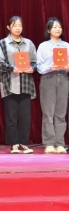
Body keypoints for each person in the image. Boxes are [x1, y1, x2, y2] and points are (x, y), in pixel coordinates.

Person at [0, 16, 36, 154]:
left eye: (20, 25)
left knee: (25, 117)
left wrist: (32, 68)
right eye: (15, 25)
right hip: (9, 84)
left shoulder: (28, 43)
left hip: (25, 84)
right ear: (8, 27)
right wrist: (11, 68)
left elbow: (35, 61)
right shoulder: (3, 43)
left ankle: (24, 143)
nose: (18, 28)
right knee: (11, 117)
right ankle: (14, 144)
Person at [36, 17, 69, 154]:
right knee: (48, 113)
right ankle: (49, 143)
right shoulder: (43, 46)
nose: (57, 29)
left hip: (63, 78)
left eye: (59, 27)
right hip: (48, 78)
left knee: (61, 113)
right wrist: (50, 67)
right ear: (49, 30)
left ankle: (59, 143)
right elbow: (38, 66)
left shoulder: (66, 46)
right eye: (54, 27)